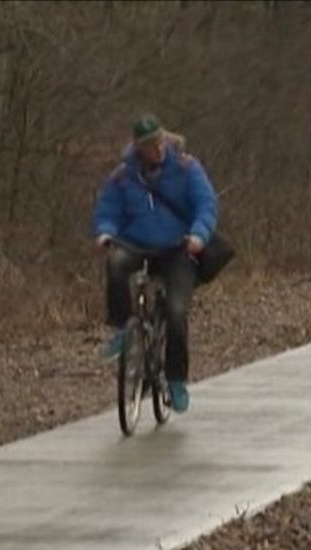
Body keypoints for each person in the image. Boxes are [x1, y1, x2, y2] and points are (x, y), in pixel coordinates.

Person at [91, 114, 218, 413]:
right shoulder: (123, 176)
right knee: (117, 265)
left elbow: (206, 205)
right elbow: (107, 209)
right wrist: (105, 231)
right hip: (136, 243)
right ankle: (123, 329)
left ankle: (175, 379)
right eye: (150, 145)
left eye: (160, 142)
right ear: (138, 148)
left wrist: (199, 234)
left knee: (175, 313)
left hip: (177, 247)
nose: (157, 149)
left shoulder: (187, 168)